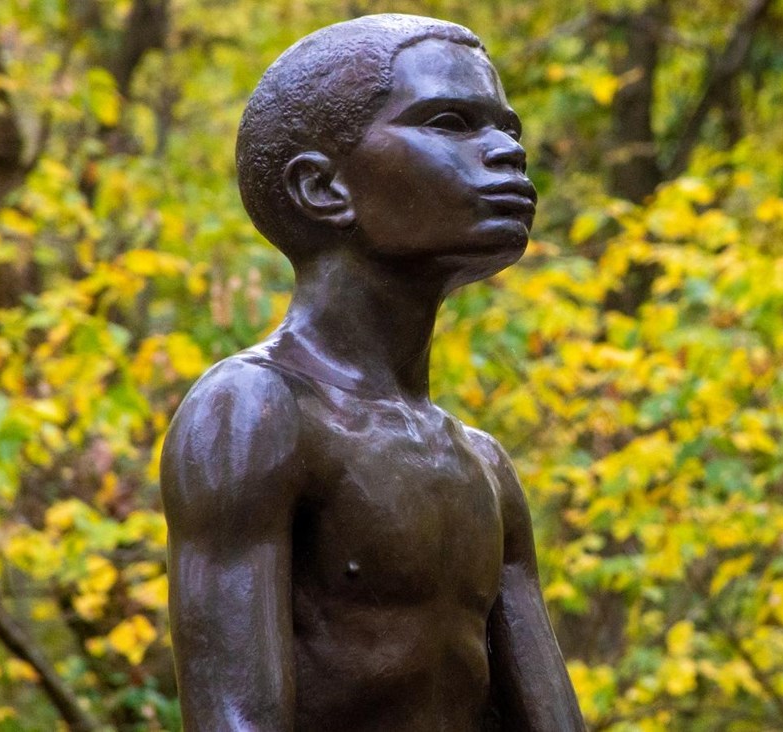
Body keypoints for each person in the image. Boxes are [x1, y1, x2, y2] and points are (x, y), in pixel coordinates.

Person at [160, 14, 585, 731]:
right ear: (323, 187)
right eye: (451, 122)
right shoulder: (252, 412)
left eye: (507, 128)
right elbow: (235, 718)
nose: (507, 151)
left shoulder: (483, 465)